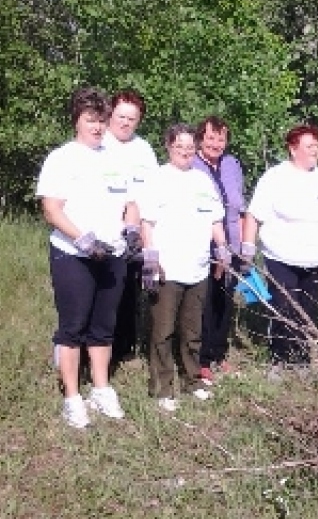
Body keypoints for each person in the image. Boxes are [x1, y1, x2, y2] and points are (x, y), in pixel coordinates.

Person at [36, 85, 139, 428]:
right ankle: (72, 398)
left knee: (103, 327)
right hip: (74, 254)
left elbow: (129, 204)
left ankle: (101, 388)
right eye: (90, 120)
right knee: (73, 327)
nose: (96, 126)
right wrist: (81, 238)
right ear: (77, 121)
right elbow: (51, 209)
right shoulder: (62, 158)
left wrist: (131, 229)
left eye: (101, 120)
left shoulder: (114, 158)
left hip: (111, 254)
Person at [241, 124, 318, 376]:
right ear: (293, 149)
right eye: (310, 146)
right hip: (281, 257)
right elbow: (254, 215)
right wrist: (247, 248)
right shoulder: (275, 178)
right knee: (284, 307)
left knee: (307, 310)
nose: (316, 150)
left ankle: (301, 359)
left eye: (317, 146)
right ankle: (278, 359)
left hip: (317, 259)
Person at [139, 124, 231, 412]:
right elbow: (146, 224)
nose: (186, 153)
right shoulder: (156, 180)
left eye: (191, 148)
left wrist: (223, 249)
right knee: (163, 331)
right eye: (180, 147)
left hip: (199, 267)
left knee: (193, 331)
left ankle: (193, 380)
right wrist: (151, 259)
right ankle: (162, 388)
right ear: (169, 146)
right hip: (167, 268)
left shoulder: (203, 182)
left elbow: (216, 220)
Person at [103, 89, 159, 367]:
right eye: (121, 116)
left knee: (130, 294)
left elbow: (152, 191)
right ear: (110, 114)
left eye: (132, 118)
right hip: (106, 235)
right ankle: (97, 352)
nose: (125, 123)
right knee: (104, 295)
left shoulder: (143, 149)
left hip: (138, 235)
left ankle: (124, 350)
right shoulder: (99, 144)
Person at [192, 116, 245, 386]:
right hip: (204, 247)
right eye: (210, 137)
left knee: (225, 304)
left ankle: (219, 353)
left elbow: (241, 207)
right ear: (201, 138)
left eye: (221, 138)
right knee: (204, 305)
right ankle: (201, 360)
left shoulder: (232, 165)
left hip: (232, 246)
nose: (216, 143)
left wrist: (245, 247)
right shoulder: (191, 165)